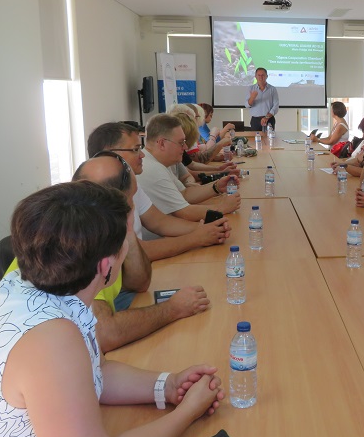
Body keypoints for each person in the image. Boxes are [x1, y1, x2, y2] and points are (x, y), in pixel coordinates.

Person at [0, 181, 224, 437]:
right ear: (106, 267)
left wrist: (167, 385)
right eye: (126, 240)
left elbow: (90, 373)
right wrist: (187, 413)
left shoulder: (25, 286)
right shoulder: (52, 340)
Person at [73, 155, 214, 353]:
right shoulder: (82, 240)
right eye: (131, 199)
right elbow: (105, 334)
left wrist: (128, 229)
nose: (134, 206)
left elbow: (139, 283)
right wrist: (172, 309)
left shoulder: (95, 225)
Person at [87, 122, 231, 260]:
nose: (142, 155)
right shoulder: (96, 200)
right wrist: (196, 237)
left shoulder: (130, 184)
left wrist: (207, 229)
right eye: (135, 149)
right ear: (110, 154)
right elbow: (138, 251)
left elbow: (160, 222)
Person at [138, 114, 240, 221]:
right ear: (162, 143)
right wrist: (222, 208)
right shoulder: (153, 169)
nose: (185, 147)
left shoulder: (160, 162)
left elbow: (185, 194)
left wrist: (217, 186)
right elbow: (184, 212)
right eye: (181, 143)